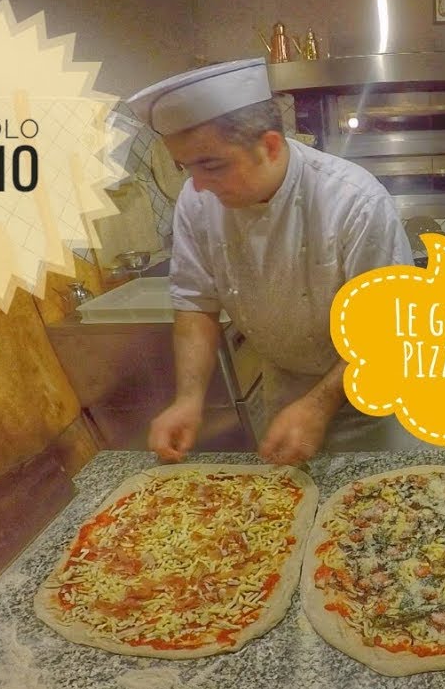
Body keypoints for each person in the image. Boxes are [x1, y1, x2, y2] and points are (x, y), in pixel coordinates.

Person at [125, 58, 418, 466]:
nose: (198, 185)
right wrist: (188, 399)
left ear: (270, 146)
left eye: (211, 165)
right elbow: (195, 302)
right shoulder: (197, 201)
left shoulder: (355, 201)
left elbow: (386, 332)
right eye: (186, 167)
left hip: (370, 396)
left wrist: (318, 406)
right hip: (285, 391)